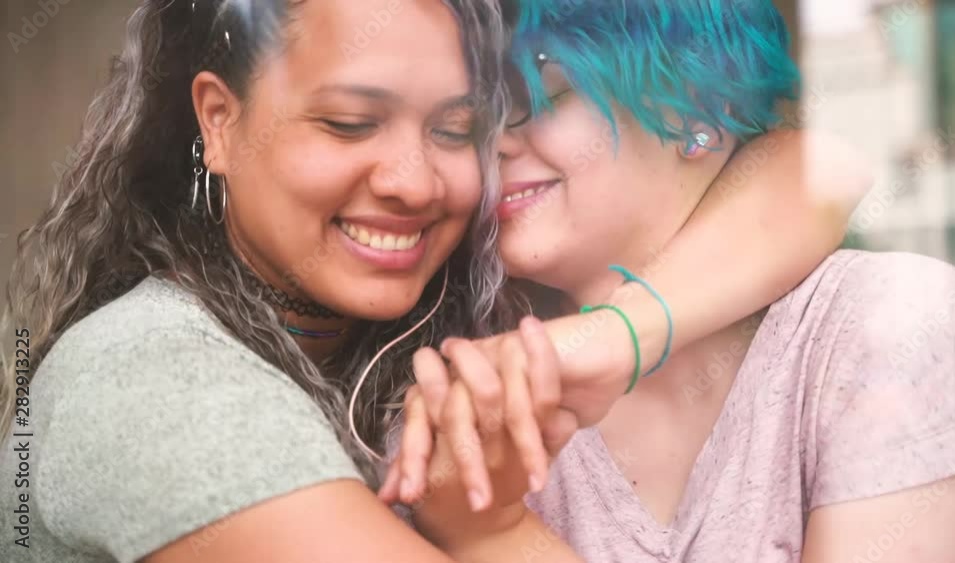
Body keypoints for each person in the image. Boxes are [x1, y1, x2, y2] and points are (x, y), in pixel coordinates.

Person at [0, 0, 868, 561]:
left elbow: (816, 165)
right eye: (348, 123)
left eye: (459, 130)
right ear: (219, 125)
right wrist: (488, 528)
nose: (415, 182)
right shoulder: (153, 379)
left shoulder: (421, 333)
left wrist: (612, 336)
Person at [386, 1, 955, 561]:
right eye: (472, 118)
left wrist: (491, 535)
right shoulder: (451, 393)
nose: (493, 144)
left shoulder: (891, 325)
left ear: (699, 111)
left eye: (532, 97)